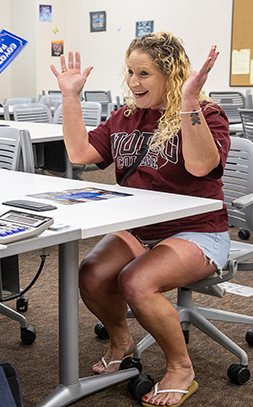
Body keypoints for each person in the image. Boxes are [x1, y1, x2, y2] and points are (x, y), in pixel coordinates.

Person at [50, 32, 230, 406]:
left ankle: (181, 368)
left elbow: (201, 165)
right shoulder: (125, 117)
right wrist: (70, 97)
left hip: (198, 230)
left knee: (135, 281)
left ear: (170, 73)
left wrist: (189, 101)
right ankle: (122, 342)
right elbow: (81, 153)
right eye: (130, 72)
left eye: (144, 73)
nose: (133, 82)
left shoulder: (207, 114)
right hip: (140, 229)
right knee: (93, 275)